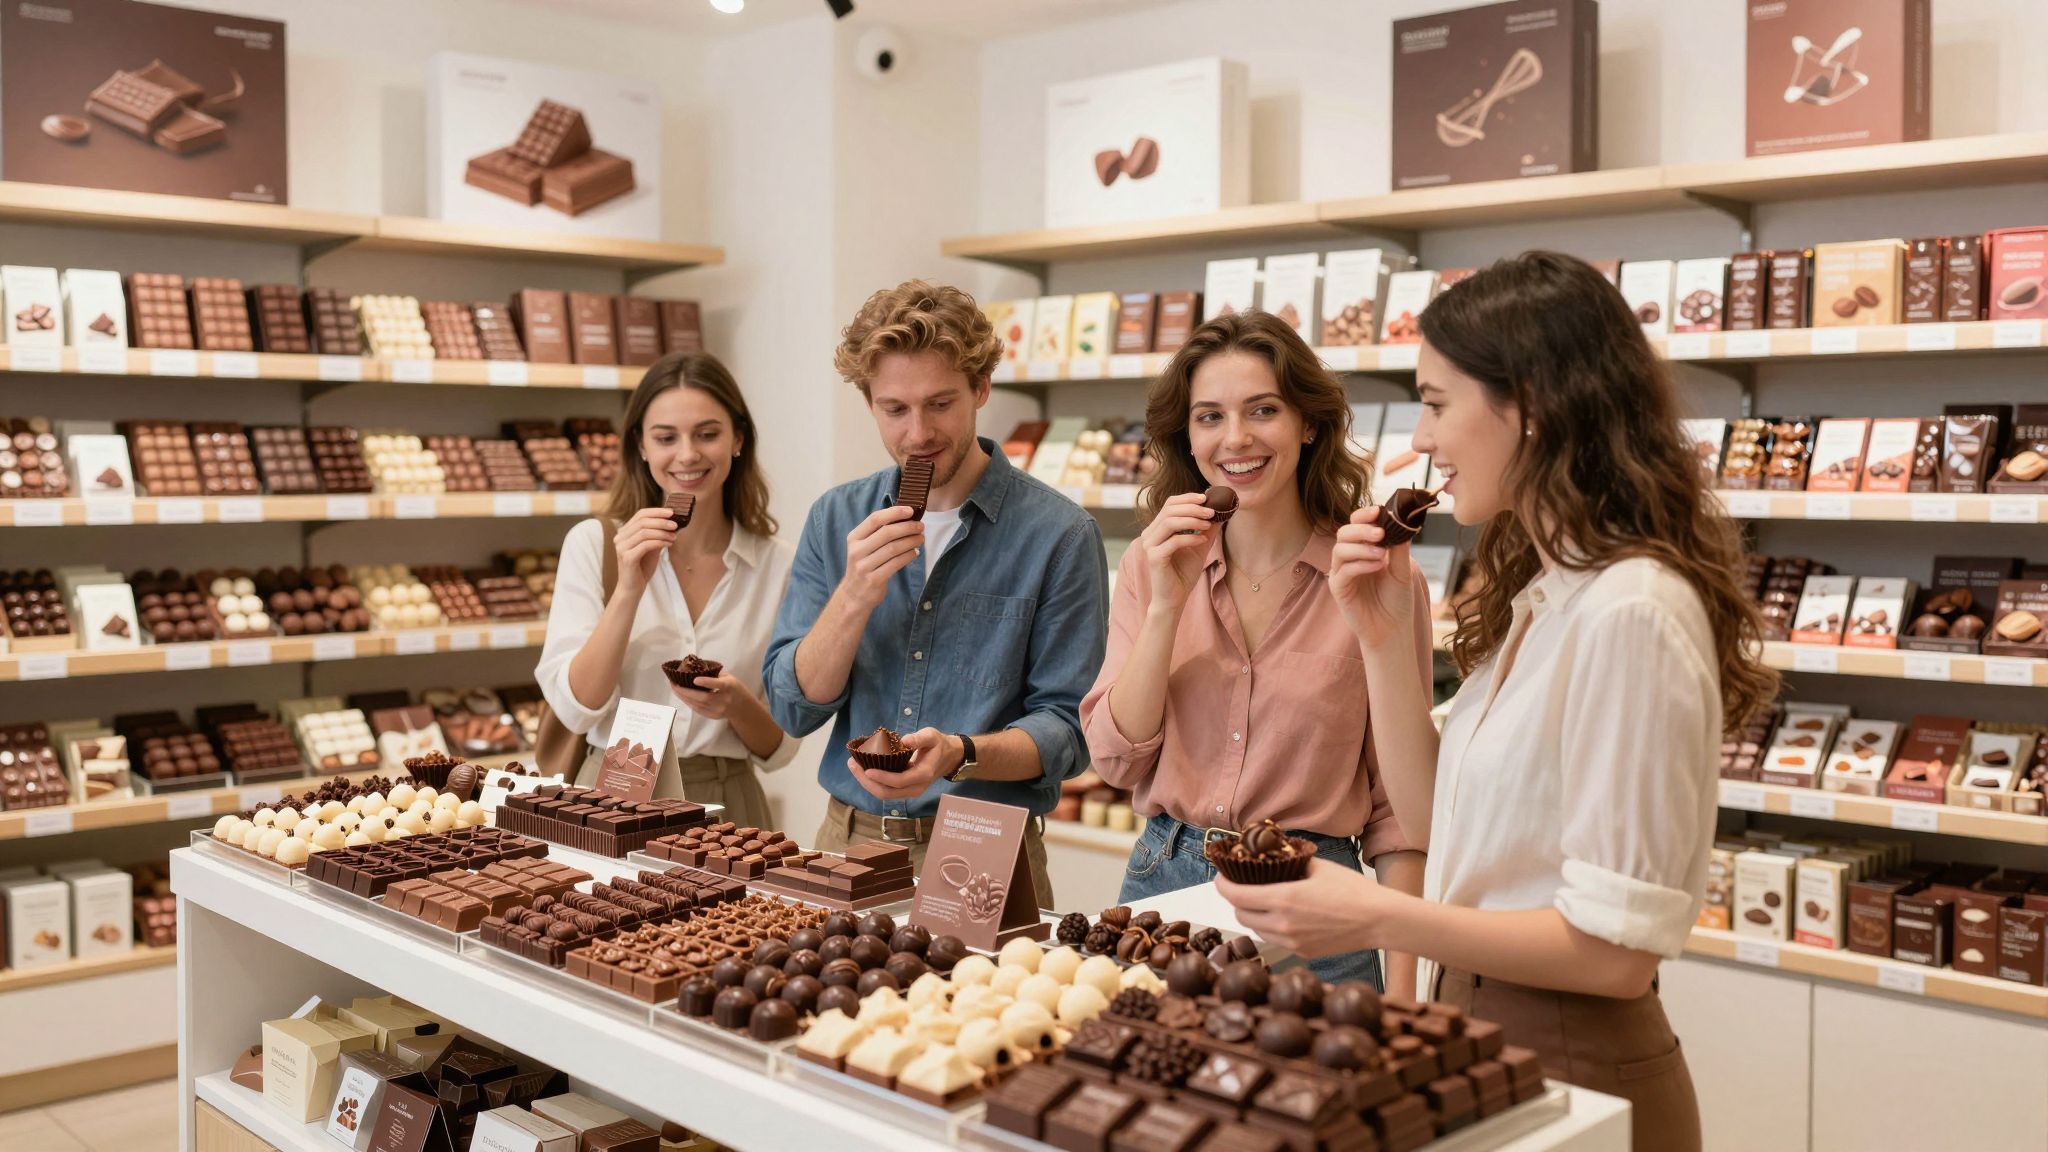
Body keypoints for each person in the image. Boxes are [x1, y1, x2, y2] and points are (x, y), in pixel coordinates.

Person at [1217, 252, 1777, 1151]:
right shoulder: (1545, 596)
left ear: (1533, 404)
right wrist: (1378, 634)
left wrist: (1369, 914)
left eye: (1437, 403)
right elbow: (1443, 821)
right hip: (1485, 1033)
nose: (1421, 441)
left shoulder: (1631, 609)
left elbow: (1615, 954)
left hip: (1575, 1055)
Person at [1079, 311, 1427, 994]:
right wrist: (1166, 608)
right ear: (1187, 434)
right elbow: (1115, 759)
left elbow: (1399, 813)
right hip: (1164, 893)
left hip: (1317, 905)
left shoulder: (1377, 579)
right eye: (1209, 416)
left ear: (1308, 423)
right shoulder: (1154, 567)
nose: (1235, 438)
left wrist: (1406, 994)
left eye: (1262, 410)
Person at [763, 280, 1108, 906]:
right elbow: (792, 710)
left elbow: (1069, 732)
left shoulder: (1059, 534)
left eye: (940, 403)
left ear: (981, 389)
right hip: (847, 838)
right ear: (869, 404)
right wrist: (853, 596)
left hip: (986, 844)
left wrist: (959, 753)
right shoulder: (834, 517)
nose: (918, 433)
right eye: (894, 409)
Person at [537, 352, 797, 827]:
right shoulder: (594, 545)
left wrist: (736, 703)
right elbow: (576, 710)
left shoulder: (778, 565)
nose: (687, 455)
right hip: (611, 795)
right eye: (665, 437)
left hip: (729, 804)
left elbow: (780, 751)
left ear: (738, 439)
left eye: (707, 434)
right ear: (640, 445)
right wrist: (629, 589)